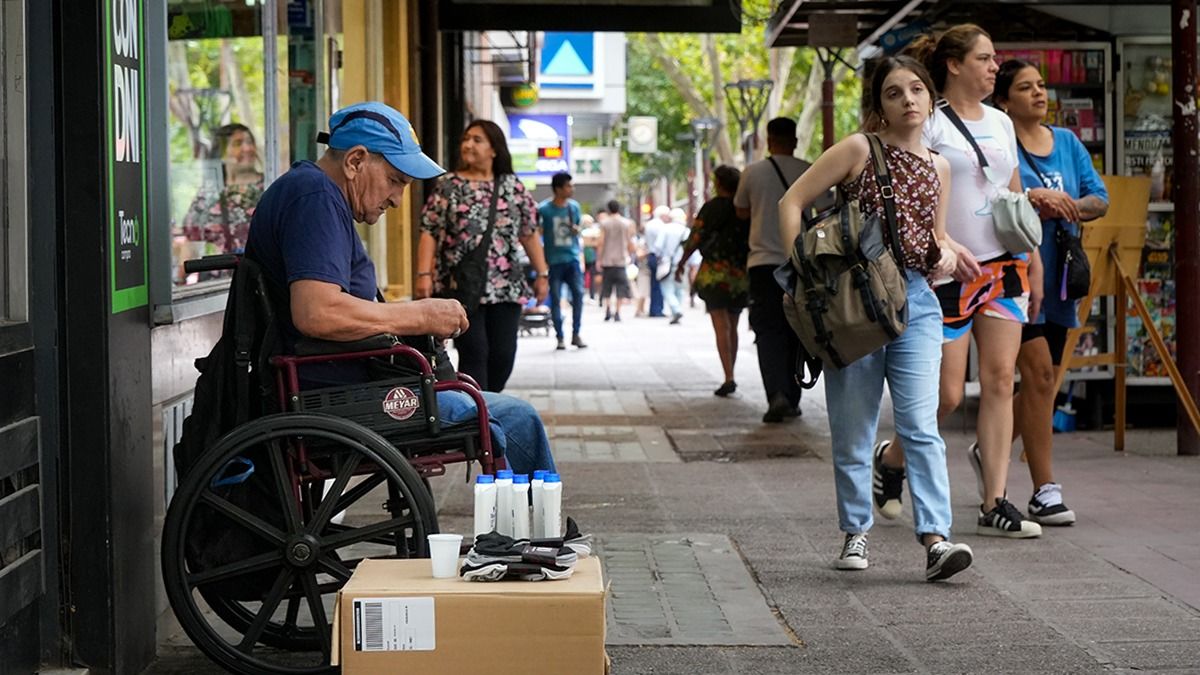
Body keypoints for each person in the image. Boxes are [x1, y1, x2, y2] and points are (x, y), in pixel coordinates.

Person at [243, 101, 555, 477]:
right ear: (355, 161)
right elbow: (317, 312)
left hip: (345, 381)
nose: (396, 198)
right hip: (341, 395)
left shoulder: (316, 194)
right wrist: (420, 314)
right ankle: (534, 529)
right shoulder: (315, 196)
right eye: (395, 181)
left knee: (493, 400)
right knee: (517, 418)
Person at [779, 55, 972, 582]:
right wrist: (802, 271)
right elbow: (794, 200)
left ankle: (936, 539)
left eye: (916, 90)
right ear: (878, 105)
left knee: (920, 424)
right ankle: (855, 532)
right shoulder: (860, 148)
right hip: (854, 300)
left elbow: (931, 233)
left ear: (932, 97)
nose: (908, 99)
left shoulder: (941, 165)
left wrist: (950, 251)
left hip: (918, 299)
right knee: (853, 427)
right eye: (894, 92)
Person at [876, 24, 1045, 539]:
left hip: (1002, 267)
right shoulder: (929, 123)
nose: (996, 67)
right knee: (947, 395)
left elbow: (1012, 191)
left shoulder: (999, 121)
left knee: (999, 381)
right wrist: (944, 247)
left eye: (995, 60)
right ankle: (892, 458)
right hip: (946, 272)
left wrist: (1033, 257)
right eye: (986, 59)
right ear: (954, 65)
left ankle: (995, 499)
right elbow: (914, 198)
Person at [994, 58, 1109, 525]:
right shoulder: (1000, 144)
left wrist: (1070, 204)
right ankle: (1045, 490)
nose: (1039, 94)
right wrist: (1033, 199)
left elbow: (1098, 198)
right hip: (1016, 273)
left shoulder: (1067, 142)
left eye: (1041, 85)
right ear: (1004, 100)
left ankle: (990, 445)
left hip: (1061, 275)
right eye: (1026, 87)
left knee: (1044, 383)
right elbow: (990, 200)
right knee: (1040, 376)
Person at [417, 119, 550, 392]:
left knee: (503, 355)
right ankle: (479, 415)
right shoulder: (448, 185)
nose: (468, 145)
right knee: (474, 353)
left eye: (477, 140)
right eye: (466, 139)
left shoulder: (513, 188)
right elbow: (429, 229)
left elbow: (529, 233)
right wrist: (423, 275)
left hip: (506, 287)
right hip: (462, 287)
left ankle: (490, 402)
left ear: (494, 149)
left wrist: (543, 274)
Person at [734, 117, 815, 423]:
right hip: (801, 263)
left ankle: (776, 395)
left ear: (768, 141)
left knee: (767, 332)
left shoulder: (752, 173)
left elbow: (741, 210)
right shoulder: (808, 169)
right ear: (794, 140)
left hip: (763, 264)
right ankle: (793, 396)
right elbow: (825, 207)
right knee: (799, 330)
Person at [676, 166, 749, 396]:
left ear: (719, 183)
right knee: (733, 325)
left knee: (721, 326)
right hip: (739, 275)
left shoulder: (710, 208)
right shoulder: (745, 208)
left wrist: (681, 263)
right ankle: (732, 370)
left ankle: (728, 375)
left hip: (714, 274)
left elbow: (695, 238)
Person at [181, 123, 265, 263]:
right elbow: (191, 241)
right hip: (216, 282)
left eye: (250, 142)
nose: (247, 148)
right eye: (238, 143)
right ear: (222, 152)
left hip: (258, 280)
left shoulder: (270, 187)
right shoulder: (210, 192)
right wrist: (180, 280)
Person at [538, 172, 588, 351]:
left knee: (578, 296)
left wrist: (576, 230)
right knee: (556, 299)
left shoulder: (574, 207)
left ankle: (576, 333)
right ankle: (560, 336)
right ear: (558, 189)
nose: (571, 189)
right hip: (553, 261)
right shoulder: (544, 209)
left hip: (572, 259)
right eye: (568, 186)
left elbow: (578, 227)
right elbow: (538, 232)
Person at [596, 200, 636, 321]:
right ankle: (618, 311)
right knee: (620, 287)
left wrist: (599, 259)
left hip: (607, 260)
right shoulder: (626, 223)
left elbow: (601, 242)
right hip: (621, 259)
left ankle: (608, 309)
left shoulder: (604, 223)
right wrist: (630, 254)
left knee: (607, 286)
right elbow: (630, 242)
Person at [657, 207, 690, 324]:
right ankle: (677, 310)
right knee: (679, 289)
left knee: (667, 288)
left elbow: (658, 247)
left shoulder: (665, 229)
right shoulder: (686, 231)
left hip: (667, 262)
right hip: (683, 263)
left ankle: (676, 309)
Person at [643, 205, 669, 317]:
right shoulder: (661, 226)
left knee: (654, 283)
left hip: (650, 255)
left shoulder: (649, 225)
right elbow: (661, 244)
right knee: (659, 284)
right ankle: (657, 309)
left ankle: (654, 309)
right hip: (658, 256)